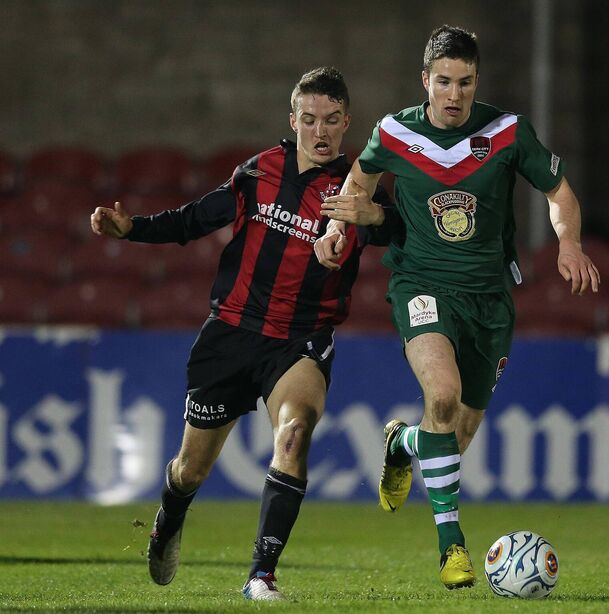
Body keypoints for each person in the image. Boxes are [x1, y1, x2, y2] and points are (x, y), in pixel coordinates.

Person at [90, 67, 396, 601]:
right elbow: (194, 220)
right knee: (190, 470)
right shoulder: (259, 172)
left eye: (330, 121)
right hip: (230, 334)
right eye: (308, 120)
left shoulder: (355, 188)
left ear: (347, 122)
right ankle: (171, 513)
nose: (319, 132)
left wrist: (374, 216)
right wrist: (132, 228)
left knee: (294, 432)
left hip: (299, 339)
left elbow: (401, 230)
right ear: (292, 120)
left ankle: (261, 574)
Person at [315, 26, 600, 589]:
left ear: (476, 82)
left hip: (489, 300)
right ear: (425, 81)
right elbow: (360, 181)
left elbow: (560, 194)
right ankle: (453, 549)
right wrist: (334, 229)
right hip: (420, 285)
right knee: (440, 396)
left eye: (465, 83)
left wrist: (568, 241)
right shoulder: (395, 132)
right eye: (443, 82)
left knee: (455, 434)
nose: (454, 94)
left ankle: (403, 442)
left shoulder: (508, 132)